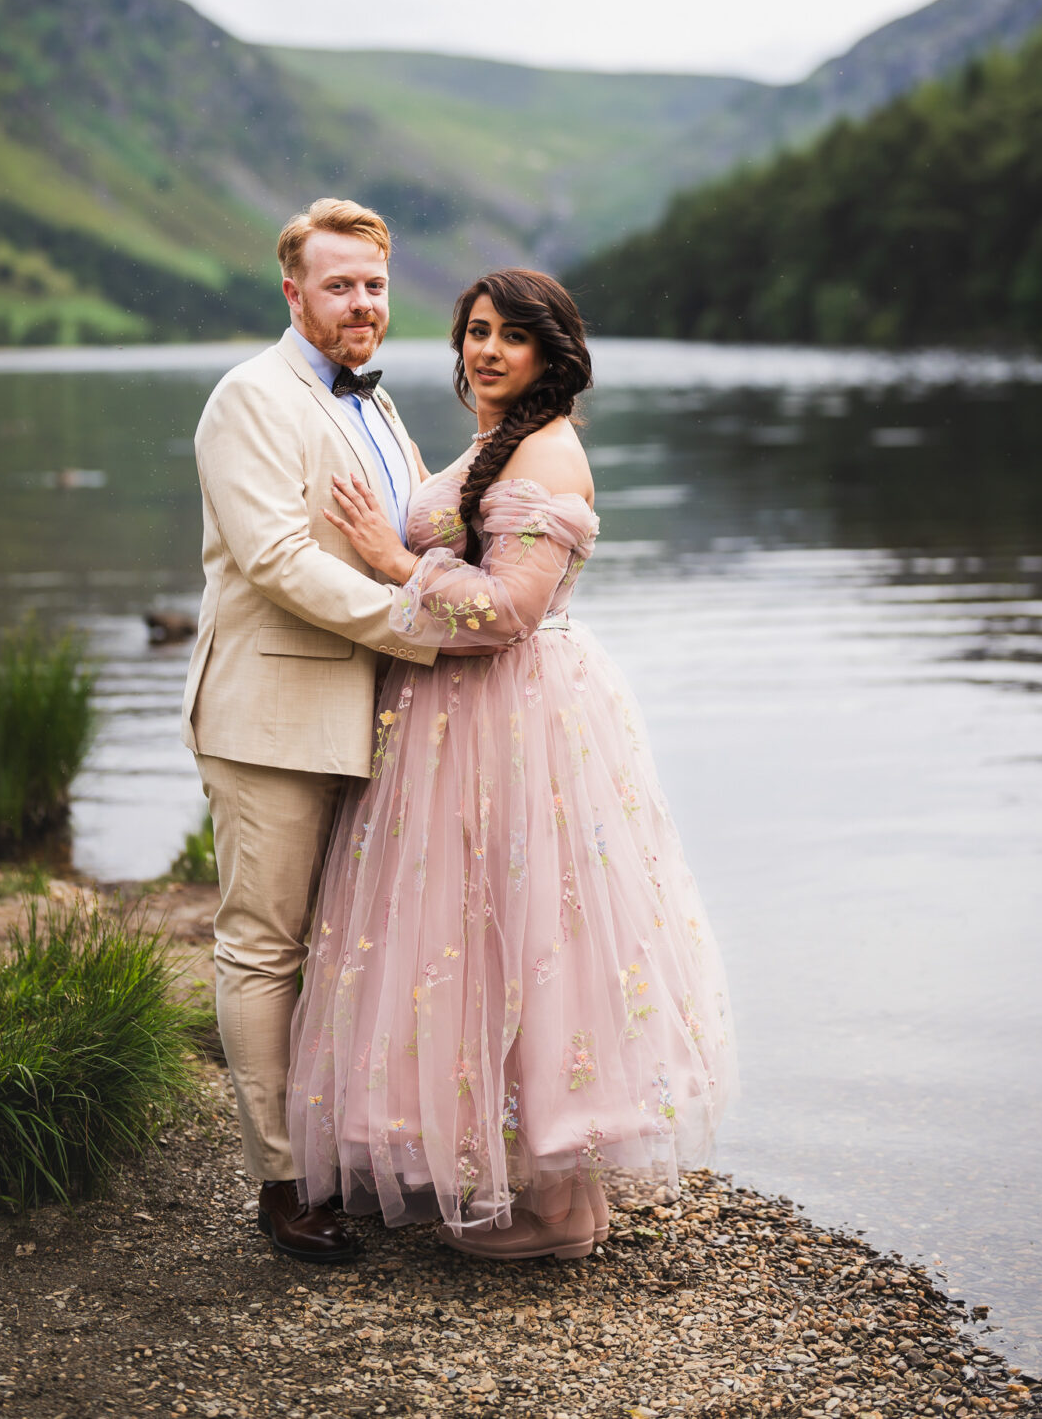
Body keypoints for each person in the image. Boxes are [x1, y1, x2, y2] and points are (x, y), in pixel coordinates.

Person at [288, 269, 734, 1260]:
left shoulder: (548, 451)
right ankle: (506, 1173)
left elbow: (507, 613)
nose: (486, 350)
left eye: (511, 336)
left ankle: (563, 1205)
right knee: (468, 937)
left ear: (550, 353)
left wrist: (398, 563)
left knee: (533, 940)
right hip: (460, 721)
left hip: (516, 720)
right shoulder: (498, 440)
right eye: (476, 332)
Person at [182, 197, 437, 1263]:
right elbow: (279, 561)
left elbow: (413, 529)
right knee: (264, 949)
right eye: (339, 286)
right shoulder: (248, 398)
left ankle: (344, 1155)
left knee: (349, 950)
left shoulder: (379, 408)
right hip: (271, 719)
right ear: (292, 292)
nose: (360, 303)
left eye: (373, 285)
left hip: (369, 716)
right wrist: (429, 625)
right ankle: (282, 1185)